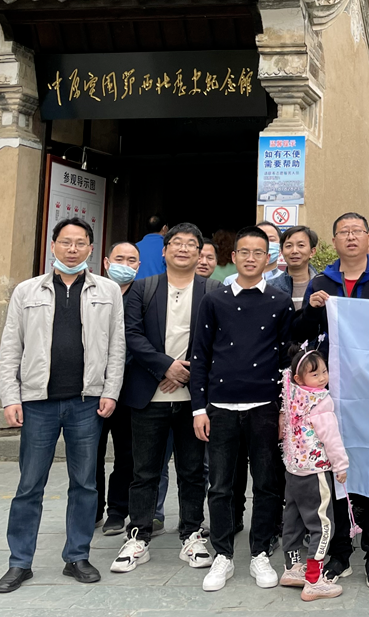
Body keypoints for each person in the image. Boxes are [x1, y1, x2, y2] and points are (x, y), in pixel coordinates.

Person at [0, 218, 125, 594]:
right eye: (65, 242)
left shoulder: (107, 290)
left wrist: (110, 391)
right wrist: (11, 397)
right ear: (53, 245)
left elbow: (117, 346)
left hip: (86, 402)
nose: (72, 249)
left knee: (84, 484)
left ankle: (77, 556)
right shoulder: (27, 291)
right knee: (29, 485)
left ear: (90, 249)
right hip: (38, 403)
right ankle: (19, 562)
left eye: (80, 243)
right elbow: (10, 347)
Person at [299, 212, 369, 588]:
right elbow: (302, 332)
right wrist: (312, 308)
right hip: (330, 394)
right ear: (334, 241)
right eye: (343, 232)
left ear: (368, 238)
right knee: (333, 471)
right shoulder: (321, 282)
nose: (350, 237)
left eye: (357, 231)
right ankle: (340, 552)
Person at [191, 225, 294, 593]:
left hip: (264, 405)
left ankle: (260, 552)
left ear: (268, 259)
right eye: (244, 252)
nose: (251, 259)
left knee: (266, 484)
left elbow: (286, 359)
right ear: (233, 257)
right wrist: (198, 409)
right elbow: (200, 355)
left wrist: (284, 410)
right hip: (220, 405)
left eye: (258, 252)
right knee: (220, 485)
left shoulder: (279, 302)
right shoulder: (214, 299)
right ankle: (223, 554)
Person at [112, 223, 218, 576]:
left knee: (192, 471)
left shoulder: (212, 291)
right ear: (164, 250)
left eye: (191, 244)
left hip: (194, 399)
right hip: (149, 395)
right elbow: (132, 335)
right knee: (144, 471)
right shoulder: (143, 289)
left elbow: (218, 340)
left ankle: (191, 534)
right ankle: (138, 535)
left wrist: (186, 372)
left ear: (200, 253)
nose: (183, 249)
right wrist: (165, 367)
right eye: (177, 243)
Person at [278, 348, 348, 602]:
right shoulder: (321, 401)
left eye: (324, 372)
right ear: (299, 378)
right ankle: (314, 580)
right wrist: (340, 465)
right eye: (315, 374)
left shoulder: (292, 394)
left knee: (293, 518)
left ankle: (291, 567)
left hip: (293, 469)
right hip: (315, 471)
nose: (322, 378)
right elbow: (331, 437)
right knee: (322, 524)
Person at [95, 241, 140, 536]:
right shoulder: (94, 293)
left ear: (139, 265)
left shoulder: (144, 295)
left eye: (131, 260)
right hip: (93, 388)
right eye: (119, 258)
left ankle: (117, 511)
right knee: (91, 454)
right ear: (106, 262)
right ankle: (92, 509)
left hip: (131, 388)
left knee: (127, 455)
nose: (125, 264)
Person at [269, 225, 319, 310]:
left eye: (301, 245)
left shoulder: (323, 285)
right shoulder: (270, 288)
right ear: (282, 251)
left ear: (312, 252)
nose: (294, 251)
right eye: (289, 246)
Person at [223, 221, 283, 286]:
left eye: (271, 240)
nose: (266, 244)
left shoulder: (288, 281)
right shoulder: (231, 281)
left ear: (280, 246)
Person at [135, 215, 168, 280]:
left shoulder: (135, 247)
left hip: (136, 284)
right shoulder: (168, 247)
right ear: (164, 228)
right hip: (159, 284)